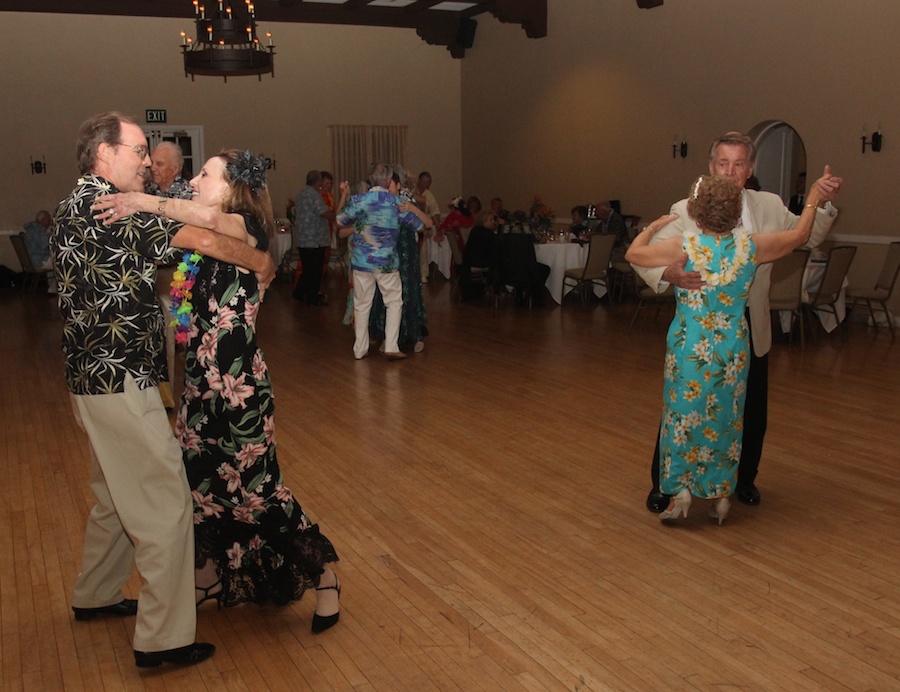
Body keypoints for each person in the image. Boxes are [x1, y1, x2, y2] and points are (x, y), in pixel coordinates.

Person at [54, 111, 274, 669]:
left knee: (113, 495)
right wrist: (264, 261)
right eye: (137, 150)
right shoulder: (109, 205)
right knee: (165, 504)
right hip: (120, 381)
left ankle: (96, 593)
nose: (147, 161)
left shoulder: (73, 203)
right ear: (103, 155)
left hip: (92, 381)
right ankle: (164, 640)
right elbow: (208, 238)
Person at [94, 149, 342, 628]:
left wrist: (137, 199)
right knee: (202, 483)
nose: (194, 179)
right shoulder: (206, 238)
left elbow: (207, 217)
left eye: (205, 173)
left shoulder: (247, 225)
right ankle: (207, 575)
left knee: (259, 490)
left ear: (232, 189)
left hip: (238, 383)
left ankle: (325, 576)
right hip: (200, 382)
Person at [633, 131, 841, 513]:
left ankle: (743, 479)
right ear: (711, 167)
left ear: (751, 169)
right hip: (696, 329)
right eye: (723, 163)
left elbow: (804, 236)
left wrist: (821, 204)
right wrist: (669, 275)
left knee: (749, 409)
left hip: (746, 324)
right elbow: (645, 259)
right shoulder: (686, 209)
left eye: (739, 164)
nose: (730, 171)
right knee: (683, 408)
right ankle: (665, 484)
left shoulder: (769, 205)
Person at [337, 162, 428, 360]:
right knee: (394, 302)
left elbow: (340, 221)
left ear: (371, 179)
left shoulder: (359, 200)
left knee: (361, 305)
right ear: (388, 181)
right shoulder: (395, 202)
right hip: (387, 262)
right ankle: (391, 346)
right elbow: (420, 227)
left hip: (362, 261)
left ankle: (359, 349)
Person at [145, 142, 193, 410]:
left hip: (180, 274)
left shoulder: (188, 195)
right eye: (152, 162)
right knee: (163, 338)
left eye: (160, 163)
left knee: (182, 334)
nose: (153, 167)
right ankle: (166, 398)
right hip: (151, 274)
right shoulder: (147, 192)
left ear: (175, 168)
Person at [370, 165, 433, 353]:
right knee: (385, 294)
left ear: (398, 185)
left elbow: (425, 226)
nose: (386, 188)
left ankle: (415, 335)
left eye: (389, 185)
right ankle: (387, 337)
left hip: (406, 251)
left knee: (409, 291)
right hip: (388, 253)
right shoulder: (380, 202)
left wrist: (412, 209)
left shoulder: (405, 201)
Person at [292, 170, 333, 305]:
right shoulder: (314, 195)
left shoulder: (300, 194)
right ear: (317, 182)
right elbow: (323, 213)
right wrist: (336, 214)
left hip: (303, 238)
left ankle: (298, 293)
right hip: (315, 239)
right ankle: (312, 297)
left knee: (308, 269)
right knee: (315, 270)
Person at [415, 171, 441, 281]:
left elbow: (435, 212)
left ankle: (423, 274)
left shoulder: (429, 196)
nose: (427, 184)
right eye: (425, 182)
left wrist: (439, 228)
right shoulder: (411, 192)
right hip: (410, 224)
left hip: (423, 226)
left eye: (429, 182)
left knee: (423, 249)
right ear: (419, 181)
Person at [23, 209, 56, 293]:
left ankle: (52, 288)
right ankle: (53, 288)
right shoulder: (38, 230)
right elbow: (46, 245)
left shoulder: (31, 229)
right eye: (49, 220)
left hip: (32, 261)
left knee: (53, 259)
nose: (49, 223)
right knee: (61, 263)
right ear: (43, 220)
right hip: (39, 261)